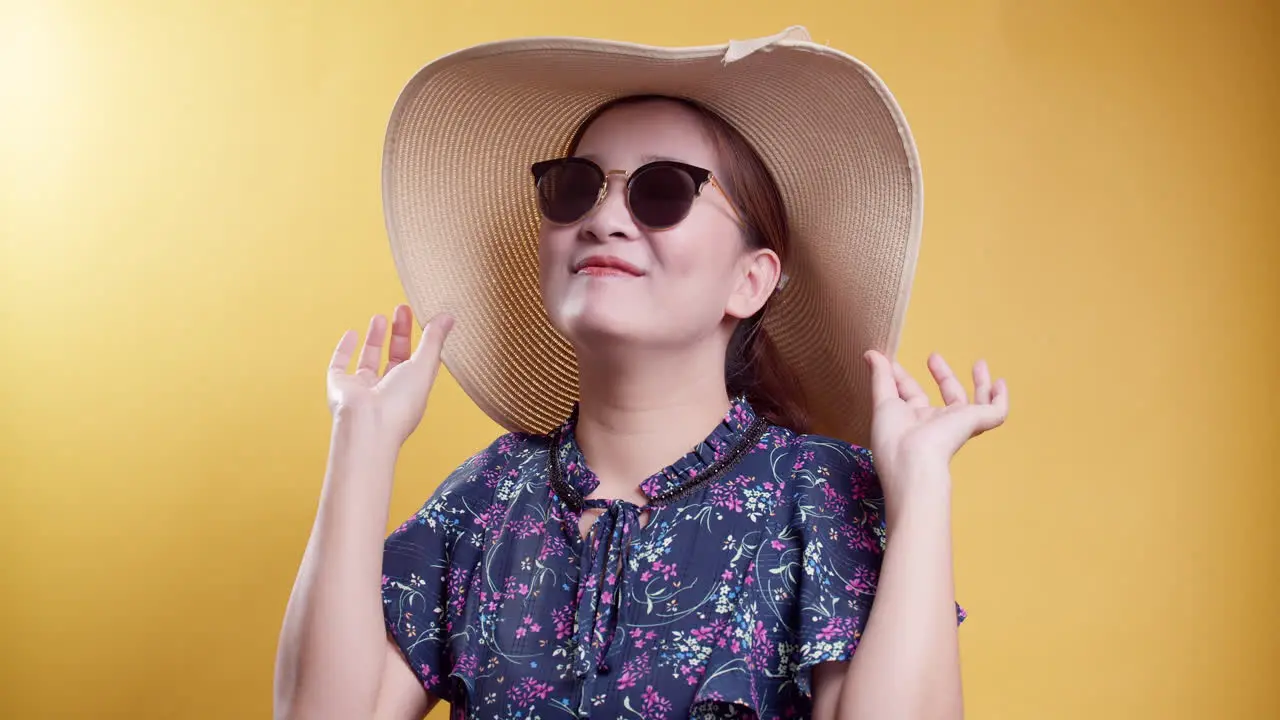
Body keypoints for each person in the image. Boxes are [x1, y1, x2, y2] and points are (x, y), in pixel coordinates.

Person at [273, 26, 1009, 720]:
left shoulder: (820, 494)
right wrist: (361, 443)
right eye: (575, 187)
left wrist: (922, 489)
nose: (603, 218)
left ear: (750, 282)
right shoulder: (486, 499)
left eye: (661, 191)